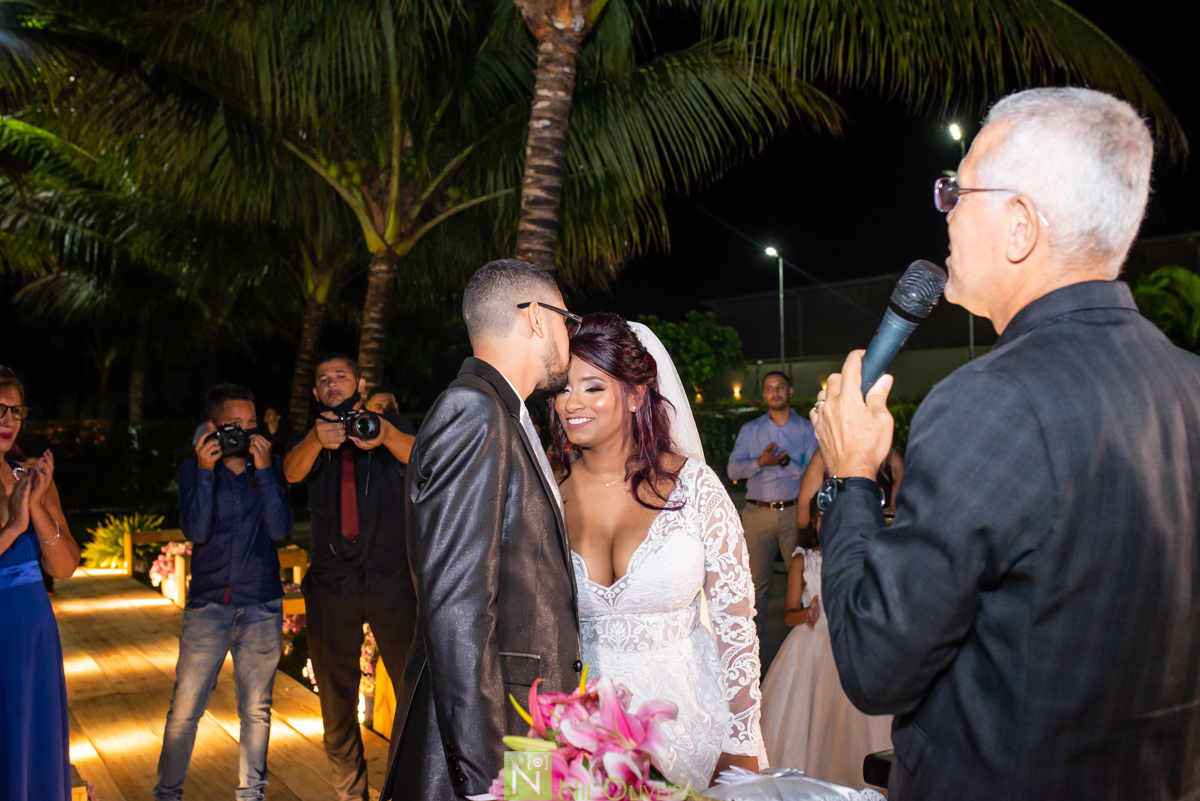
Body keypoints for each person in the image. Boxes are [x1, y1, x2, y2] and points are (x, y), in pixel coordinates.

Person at [809, 87, 1200, 800]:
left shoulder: (991, 400)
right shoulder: (1188, 383)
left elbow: (875, 663)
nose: (946, 210)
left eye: (958, 189)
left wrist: (853, 477)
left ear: (1020, 225)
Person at [382, 259, 582, 801]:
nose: (571, 334)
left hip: (524, 727)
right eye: (568, 318)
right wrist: (487, 782)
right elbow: (457, 609)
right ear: (538, 318)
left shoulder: (501, 412)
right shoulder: (473, 411)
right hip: (496, 744)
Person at [552, 313, 764, 789]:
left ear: (635, 394)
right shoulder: (545, 493)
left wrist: (741, 741)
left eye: (592, 387)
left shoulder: (695, 487)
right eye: (563, 389)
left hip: (693, 726)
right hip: (583, 734)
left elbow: (736, 628)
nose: (572, 404)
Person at [283, 355, 417, 801]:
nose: (332, 383)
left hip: (390, 580)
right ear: (317, 393)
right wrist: (317, 441)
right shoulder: (311, 437)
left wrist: (382, 432)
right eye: (324, 380)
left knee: (412, 689)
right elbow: (291, 471)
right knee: (336, 700)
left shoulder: (388, 422)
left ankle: (404, 786)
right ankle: (350, 794)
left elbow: (421, 458)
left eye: (340, 375)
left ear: (359, 382)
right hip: (330, 583)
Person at [155, 383, 294, 801]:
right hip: (209, 607)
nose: (245, 433)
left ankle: (251, 796)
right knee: (185, 711)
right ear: (212, 428)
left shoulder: (269, 468)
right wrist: (202, 471)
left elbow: (281, 529)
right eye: (234, 425)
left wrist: (267, 471)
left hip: (262, 604)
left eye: (251, 425)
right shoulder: (191, 470)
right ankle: (167, 795)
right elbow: (195, 530)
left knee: (256, 712)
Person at [759, 498, 891, 789]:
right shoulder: (803, 560)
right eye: (820, 517)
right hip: (811, 646)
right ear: (813, 523)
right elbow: (789, 615)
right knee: (809, 719)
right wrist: (806, 613)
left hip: (850, 643)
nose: (825, 523)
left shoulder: (862, 558)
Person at [0, 366, 78, 801]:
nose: (9, 420)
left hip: (35, 637)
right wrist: (14, 526)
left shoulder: (28, 477)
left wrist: (38, 503)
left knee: (36, 746)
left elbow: (65, 567)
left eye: (16, 410)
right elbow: (13, 530)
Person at [726, 372, 818, 628]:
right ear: (764, 395)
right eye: (769, 388)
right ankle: (753, 656)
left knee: (803, 579)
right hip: (757, 514)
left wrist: (786, 463)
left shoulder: (806, 429)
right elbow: (733, 471)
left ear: (790, 391)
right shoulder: (751, 430)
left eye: (780, 387)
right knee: (755, 587)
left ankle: (804, 647)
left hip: (794, 513)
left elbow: (814, 472)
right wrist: (761, 462)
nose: (775, 392)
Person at [795, 448, 903, 529]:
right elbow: (803, 519)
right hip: (836, 543)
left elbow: (901, 518)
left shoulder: (892, 460)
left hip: (876, 545)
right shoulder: (824, 456)